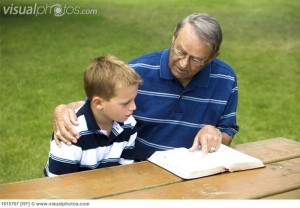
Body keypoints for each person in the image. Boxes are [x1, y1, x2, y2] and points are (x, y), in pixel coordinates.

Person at [53, 13, 239, 161]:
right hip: (140, 169)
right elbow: (100, 106)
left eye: (196, 59)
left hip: (195, 170)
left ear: (213, 57)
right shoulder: (138, 71)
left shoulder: (226, 78)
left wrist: (216, 134)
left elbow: (227, 130)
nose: (183, 63)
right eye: (180, 51)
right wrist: (64, 108)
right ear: (174, 36)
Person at [44, 55, 143, 177]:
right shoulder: (71, 132)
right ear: (98, 103)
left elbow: (125, 172)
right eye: (125, 103)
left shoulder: (129, 124)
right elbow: (57, 184)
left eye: (134, 99)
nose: (133, 107)